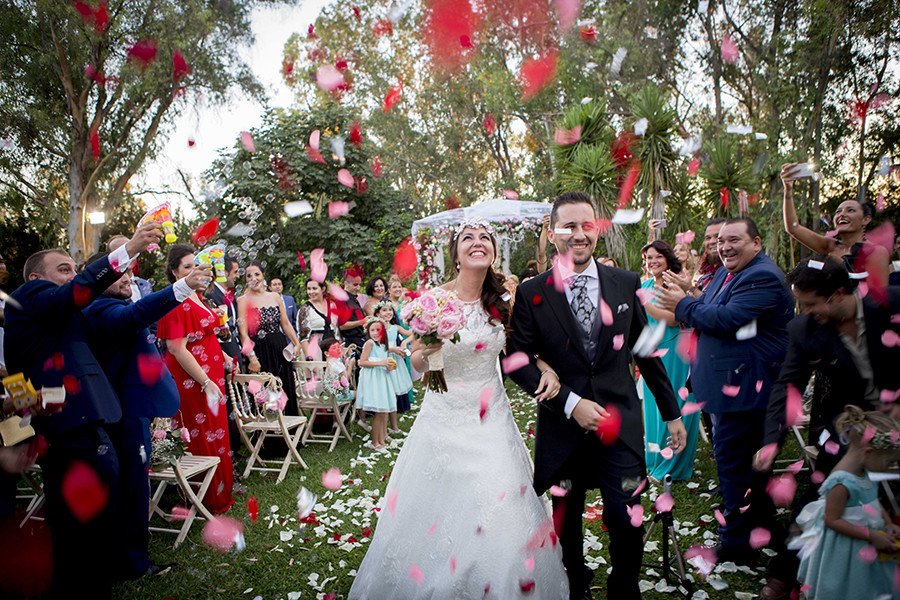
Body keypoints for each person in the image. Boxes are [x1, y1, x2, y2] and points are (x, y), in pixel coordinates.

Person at [349, 217, 569, 599]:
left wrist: (547, 367)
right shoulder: (433, 301)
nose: (478, 242)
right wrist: (427, 355)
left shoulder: (504, 300)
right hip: (443, 418)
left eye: (485, 237)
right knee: (440, 512)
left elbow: (523, 349)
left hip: (491, 418)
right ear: (456, 254)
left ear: (494, 251)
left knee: (502, 506)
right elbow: (415, 360)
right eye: (468, 237)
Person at [508, 193, 686, 600]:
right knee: (565, 520)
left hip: (620, 426)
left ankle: (624, 588)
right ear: (552, 233)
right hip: (563, 430)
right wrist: (570, 402)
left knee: (627, 518)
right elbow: (518, 360)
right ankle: (576, 585)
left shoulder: (624, 283)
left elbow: (645, 352)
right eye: (568, 226)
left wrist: (671, 413)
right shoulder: (533, 292)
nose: (579, 234)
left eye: (586, 225)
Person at [3, 221, 161, 597]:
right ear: (37, 278)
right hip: (74, 427)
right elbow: (13, 369)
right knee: (85, 521)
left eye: (74, 269)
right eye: (64, 268)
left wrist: (180, 291)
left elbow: (15, 366)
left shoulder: (57, 320)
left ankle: (83, 581)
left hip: (75, 422)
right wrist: (130, 249)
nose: (73, 274)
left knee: (79, 520)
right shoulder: (31, 294)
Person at [752, 256, 900, 600]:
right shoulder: (804, 330)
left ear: (838, 293)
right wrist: (772, 439)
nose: (805, 312)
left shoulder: (891, 305)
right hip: (848, 427)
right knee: (820, 498)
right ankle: (785, 575)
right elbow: (787, 385)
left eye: (810, 304)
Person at [656, 217, 794, 566]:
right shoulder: (725, 273)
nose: (725, 246)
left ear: (757, 243)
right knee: (747, 470)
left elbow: (726, 319)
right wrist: (690, 294)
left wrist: (682, 303)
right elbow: (712, 309)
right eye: (721, 241)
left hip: (743, 390)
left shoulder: (761, 276)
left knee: (733, 468)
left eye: (734, 240)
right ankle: (762, 530)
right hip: (727, 386)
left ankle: (735, 544)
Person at [82, 251, 210, 578]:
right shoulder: (99, 311)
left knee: (134, 486)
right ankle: (132, 562)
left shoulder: (113, 306)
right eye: (118, 274)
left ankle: (125, 556)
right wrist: (181, 288)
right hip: (119, 414)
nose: (127, 278)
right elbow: (136, 316)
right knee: (131, 488)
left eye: (127, 272)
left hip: (132, 410)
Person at [789, 406, 900, 600]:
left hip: (869, 538)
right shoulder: (841, 482)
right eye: (887, 461)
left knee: (868, 583)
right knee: (847, 585)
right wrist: (870, 535)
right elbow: (832, 520)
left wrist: (888, 522)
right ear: (869, 452)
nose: (887, 466)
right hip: (847, 546)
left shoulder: (865, 471)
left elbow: (872, 499)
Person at [156, 243, 235, 515]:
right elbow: (177, 348)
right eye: (187, 266)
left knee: (216, 427)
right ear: (174, 272)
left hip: (210, 372)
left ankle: (220, 490)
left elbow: (203, 335)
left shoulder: (197, 296)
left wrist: (223, 357)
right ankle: (203, 495)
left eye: (196, 265)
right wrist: (205, 381)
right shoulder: (175, 300)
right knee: (199, 431)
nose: (194, 270)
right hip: (192, 379)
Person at [639, 241, 700, 482]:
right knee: (654, 406)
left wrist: (643, 302)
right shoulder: (643, 285)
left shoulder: (676, 284)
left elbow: (675, 319)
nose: (651, 261)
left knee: (675, 403)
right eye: (648, 258)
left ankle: (672, 466)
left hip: (676, 349)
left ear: (667, 259)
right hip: (650, 353)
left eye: (657, 257)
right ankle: (654, 459)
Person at [781, 162, 890, 284]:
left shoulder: (876, 252)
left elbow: (877, 297)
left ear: (866, 219)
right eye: (838, 212)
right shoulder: (829, 246)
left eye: (851, 210)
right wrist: (788, 190)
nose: (842, 214)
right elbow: (793, 228)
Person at [237, 261, 302, 414]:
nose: (253, 278)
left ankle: (288, 431)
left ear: (263, 275)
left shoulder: (274, 297)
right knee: (265, 393)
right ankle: (269, 435)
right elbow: (243, 333)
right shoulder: (242, 300)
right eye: (249, 275)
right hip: (259, 351)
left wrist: (296, 343)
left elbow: (285, 324)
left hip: (279, 348)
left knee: (284, 387)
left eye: (257, 274)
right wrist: (252, 358)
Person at [354, 317, 398, 451]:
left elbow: (384, 362)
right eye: (372, 330)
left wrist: (390, 366)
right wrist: (381, 363)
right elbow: (363, 362)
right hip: (372, 380)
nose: (375, 332)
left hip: (382, 378)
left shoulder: (384, 346)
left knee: (383, 411)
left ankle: (381, 440)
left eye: (378, 330)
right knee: (378, 412)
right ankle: (374, 442)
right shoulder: (370, 343)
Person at [374, 300, 413, 431]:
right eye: (384, 310)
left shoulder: (396, 327)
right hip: (384, 361)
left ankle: (394, 426)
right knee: (387, 395)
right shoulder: (376, 328)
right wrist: (392, 349)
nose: (388, 312)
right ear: (378, 313)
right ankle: (383, 428)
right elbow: (376, 346)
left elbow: (414, 334)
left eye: (390, 310)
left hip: (395, 363)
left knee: (395, 394)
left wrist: (404, 343)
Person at [296, 278, 338, 358]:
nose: (311, 292)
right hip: (315, 349)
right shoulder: (305, 309)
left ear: (323, 289)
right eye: (309, 289)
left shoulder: (332, 305)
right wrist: (309, 357)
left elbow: (336, 329)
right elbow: (303, 337)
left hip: (332, 347)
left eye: (314, 288)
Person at [690, 218, 726, 295]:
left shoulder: (734, 274)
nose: (712, 241)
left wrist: (690, 288)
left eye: (718, 236)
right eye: (708, 238)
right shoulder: (705, 277)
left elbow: (713, 305)